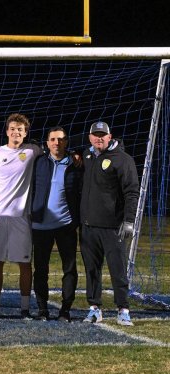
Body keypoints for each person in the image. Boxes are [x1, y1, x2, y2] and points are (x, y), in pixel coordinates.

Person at [80, 121, 139, 326]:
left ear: (110, 136)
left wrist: (129, 221)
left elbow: (132, 192)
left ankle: (123, 309)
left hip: (113, 228)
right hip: (89, 227)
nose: (99, 138)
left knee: (118, 270)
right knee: (92, 270)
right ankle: (94, 309)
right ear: (90, 138)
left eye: (102, 135)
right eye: (95, 135)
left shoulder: (123, 160)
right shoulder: (87, 156)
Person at [0, 113, 41, 318]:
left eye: (20, 129)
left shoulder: (32, 150)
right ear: (7, 131)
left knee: (25, 263)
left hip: (21, 217)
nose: (16, 132)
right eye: (12, 129)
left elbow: (51, 149)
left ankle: (25, 308)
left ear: (25, 133)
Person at [31, 127, 82, 322]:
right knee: (41, 269)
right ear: (47, 143)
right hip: (41, 225)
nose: (56, 143)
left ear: (66, 142)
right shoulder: (39, 162)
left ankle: (65, 310)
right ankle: (42, 310)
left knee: (69, 268)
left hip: (66, 225)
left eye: (60, 139)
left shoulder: (75, 163)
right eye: (52, 139)